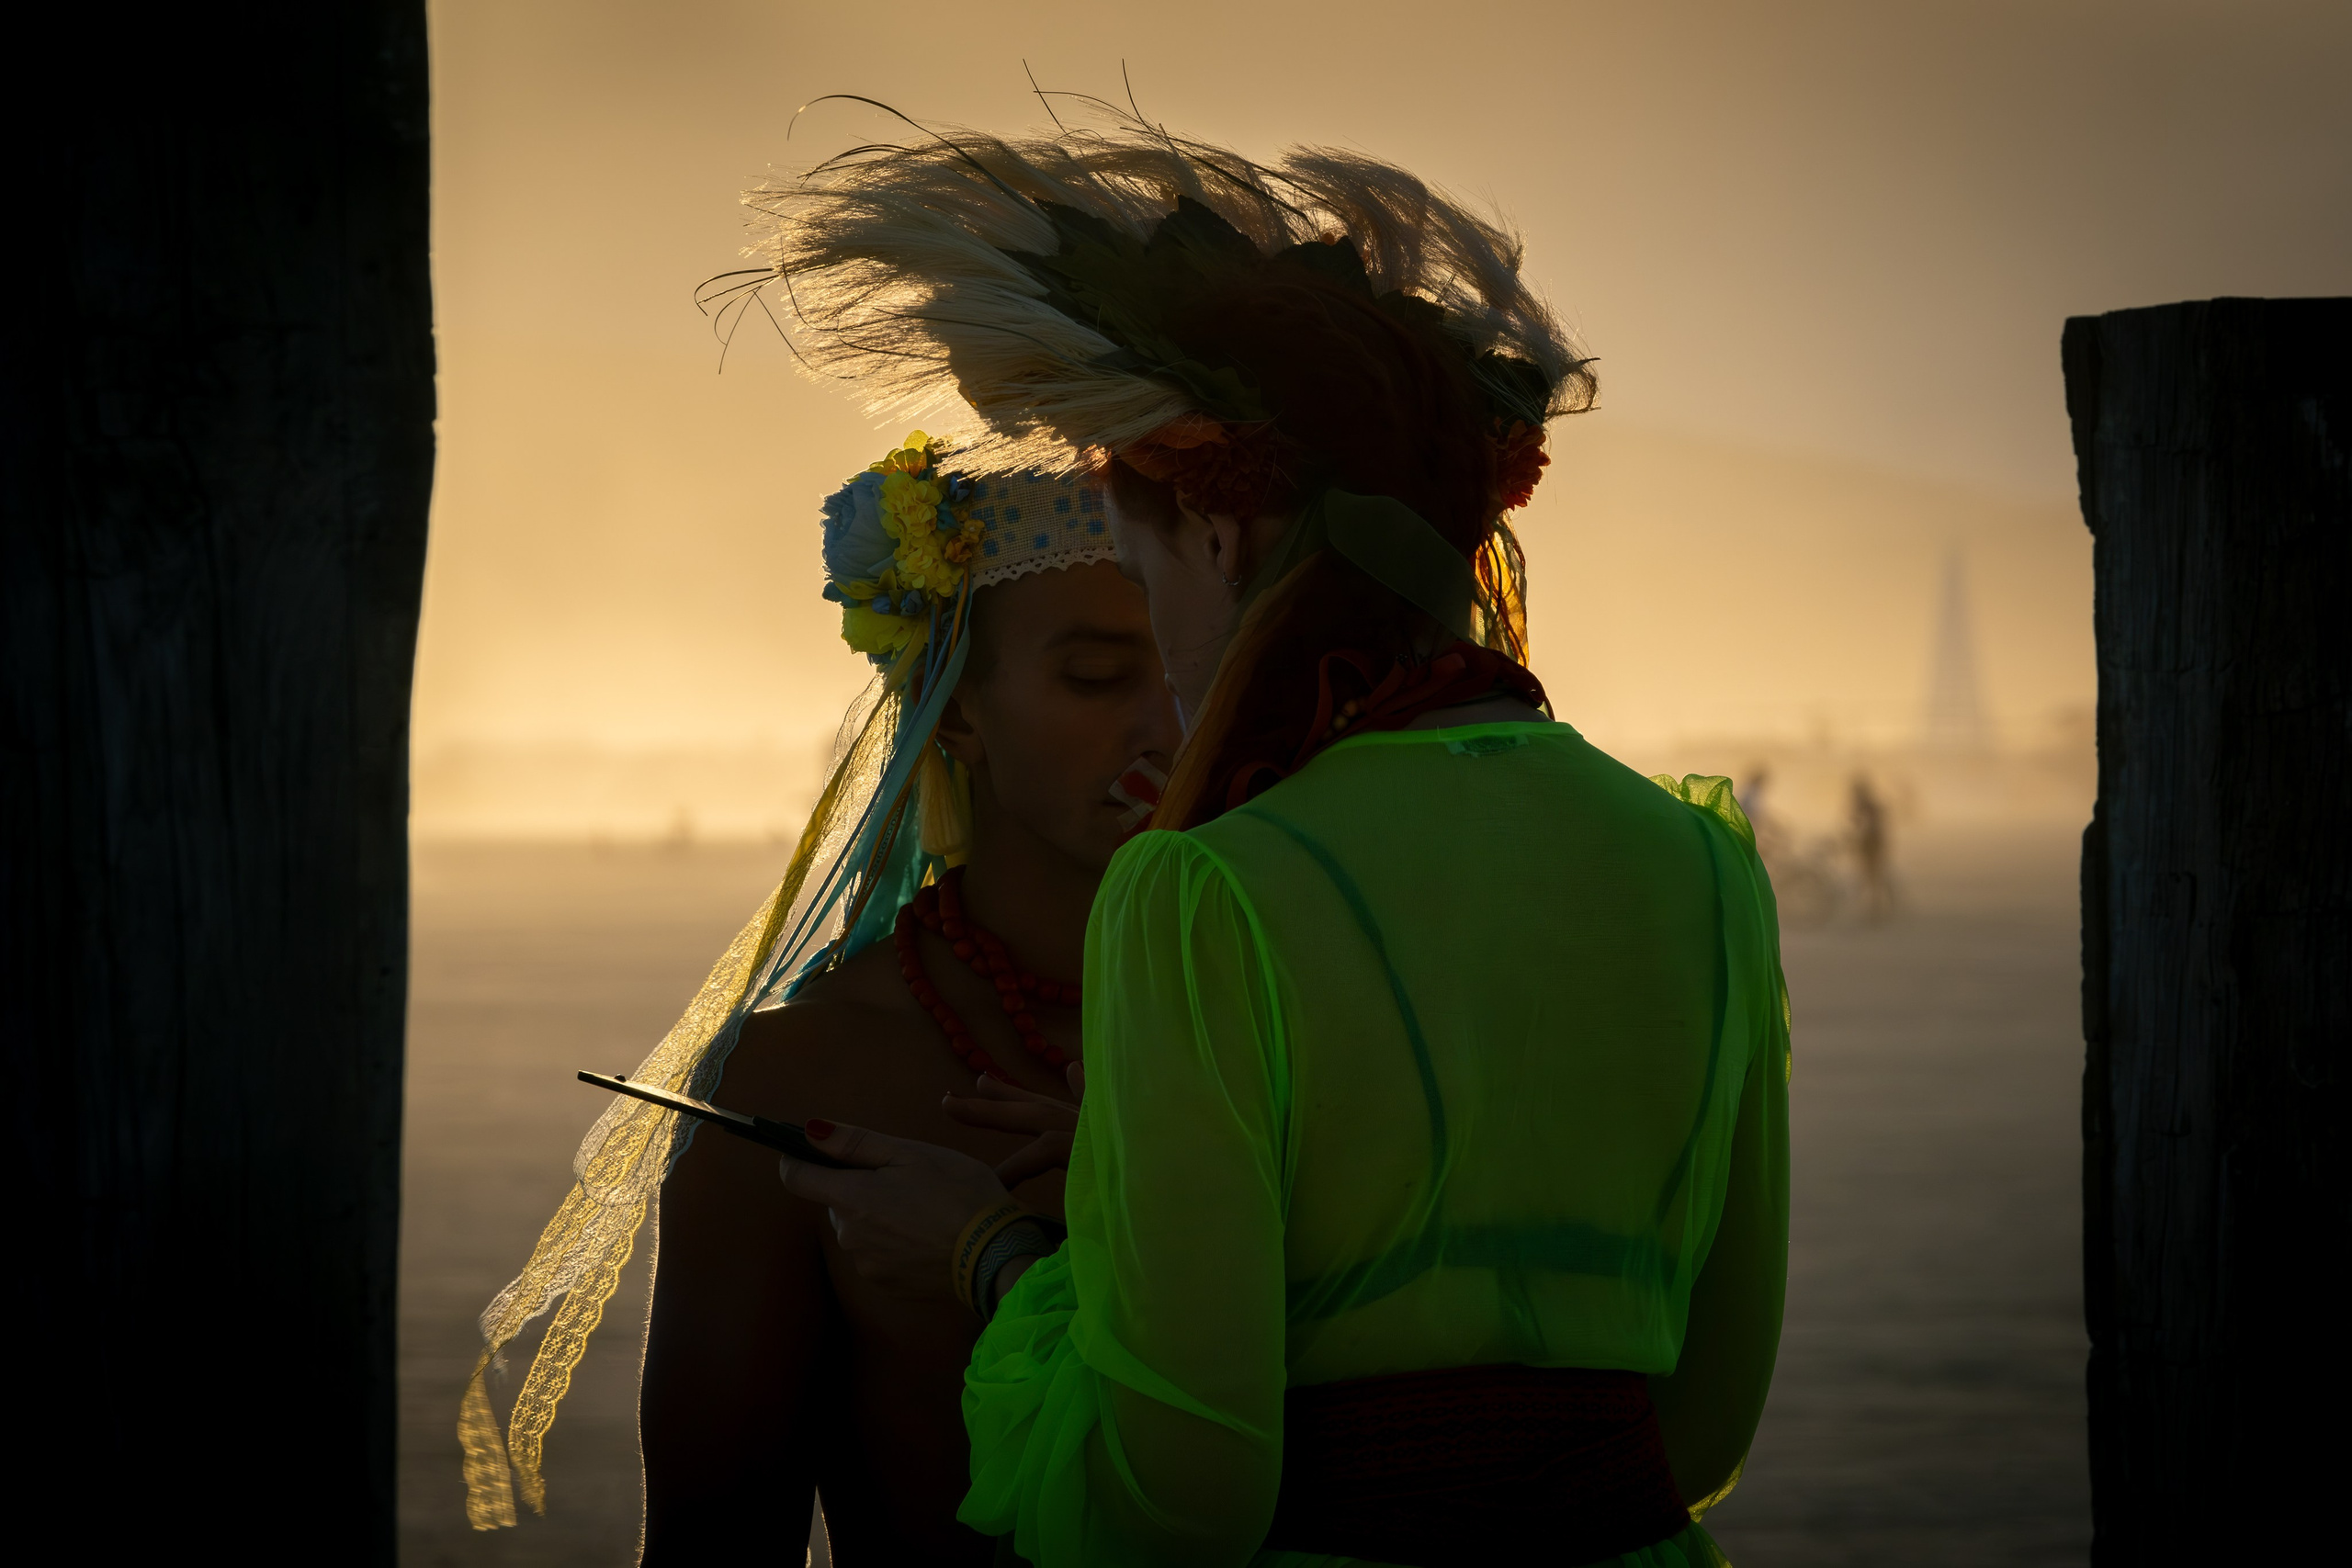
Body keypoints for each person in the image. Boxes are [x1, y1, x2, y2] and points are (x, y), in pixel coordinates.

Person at [752, 116, 1793, 1567]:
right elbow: (1704, 1424)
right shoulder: (1702, 866)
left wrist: (996, 1253)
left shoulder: (1209, 891)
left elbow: (1170, 1504)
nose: (1163, 651)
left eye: (1146, 566)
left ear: (1226, 543)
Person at [455, 438, 1180, 1562]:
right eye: (1096, 676)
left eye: (1202, 669)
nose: (1171, 726)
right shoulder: (805, 1078)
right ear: (952, 711)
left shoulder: (1325, 1024)